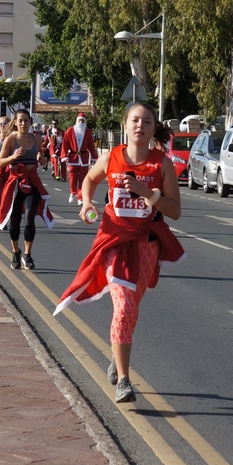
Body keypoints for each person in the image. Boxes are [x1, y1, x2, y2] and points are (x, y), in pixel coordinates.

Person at [53, 102, 185, 403]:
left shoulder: (161, 164)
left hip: (147, 244)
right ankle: (124, 381)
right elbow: (89, 179)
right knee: (124, 307)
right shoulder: (110, 157)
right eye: (135, 120)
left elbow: (174, 211)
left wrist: (145, 192)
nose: (140, 125)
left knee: (131, 308)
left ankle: (117, 356)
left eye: (147, 121)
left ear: (154, 129)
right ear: (125, 124)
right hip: (114, 240)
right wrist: (87, 203)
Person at [0, 109, 53, 270]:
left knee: (29, 220)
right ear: (15, 122)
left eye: (26, 120)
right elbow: (0, 163)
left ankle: (27, 255)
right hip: (15, 183)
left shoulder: (36, 138)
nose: (23, 124)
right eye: (20, 120)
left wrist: (41, 160)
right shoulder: (10, 140)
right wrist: (13, 157)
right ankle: (15, 252)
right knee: (14, 222)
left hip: (32, 182)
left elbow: (42, 160)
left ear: (30, 122)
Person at [61, 112, 99, 204]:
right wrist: (64, 156)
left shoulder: (87, 132)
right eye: (79, 120)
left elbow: (91, 146)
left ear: (85, 122)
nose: (81, 122)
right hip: (73, 157)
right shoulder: (70, 131)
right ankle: (72, 192)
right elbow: (65, 144)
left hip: (84, 158)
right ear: (77, 121)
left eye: (83, 121)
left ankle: (80, 197)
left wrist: (94, 157)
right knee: (72, 177)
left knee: (83, 179)